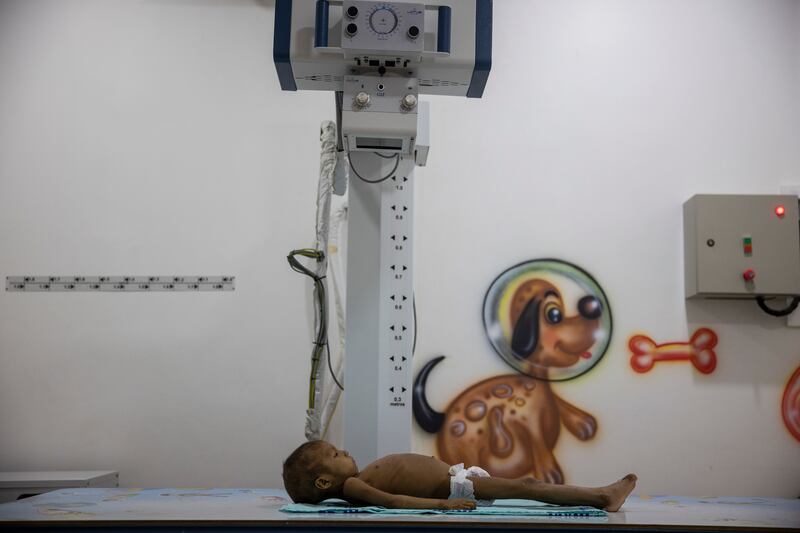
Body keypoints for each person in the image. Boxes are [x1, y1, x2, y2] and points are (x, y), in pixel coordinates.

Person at [282, 440, 637, 512]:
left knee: (525, 485)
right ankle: (601, 497)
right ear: (324, 483)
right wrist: (442, 504)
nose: (345, 451)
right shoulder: (356, 485)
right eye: (334, 455)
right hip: (455, 486)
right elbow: (394, 502)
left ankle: (599, 495)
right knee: (526, 485)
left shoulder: (358, 479)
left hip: (456, 480)